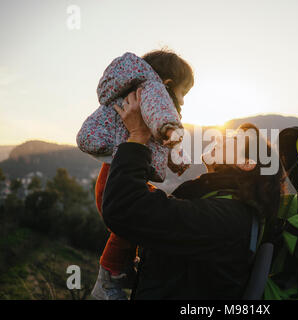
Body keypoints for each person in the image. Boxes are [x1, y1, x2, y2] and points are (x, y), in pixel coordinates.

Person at [101, 91, 283, 299]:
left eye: (234, 139)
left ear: (246, 163)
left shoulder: (226, 218)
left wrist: (137, 137)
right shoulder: (219, 204)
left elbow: (125, 209)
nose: (222, 137)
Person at [83, 49, 194, 300]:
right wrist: (170, 133)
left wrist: (173, 158)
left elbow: (152, 141)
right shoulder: (152, 92)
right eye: (183, 93)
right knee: (128, 226)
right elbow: (161, 120)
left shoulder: (138, 96)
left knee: (135, 225)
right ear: (167, 84)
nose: (184, 102)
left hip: (116, 174)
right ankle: (107, 281)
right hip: (117, 177)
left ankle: (122, 269)